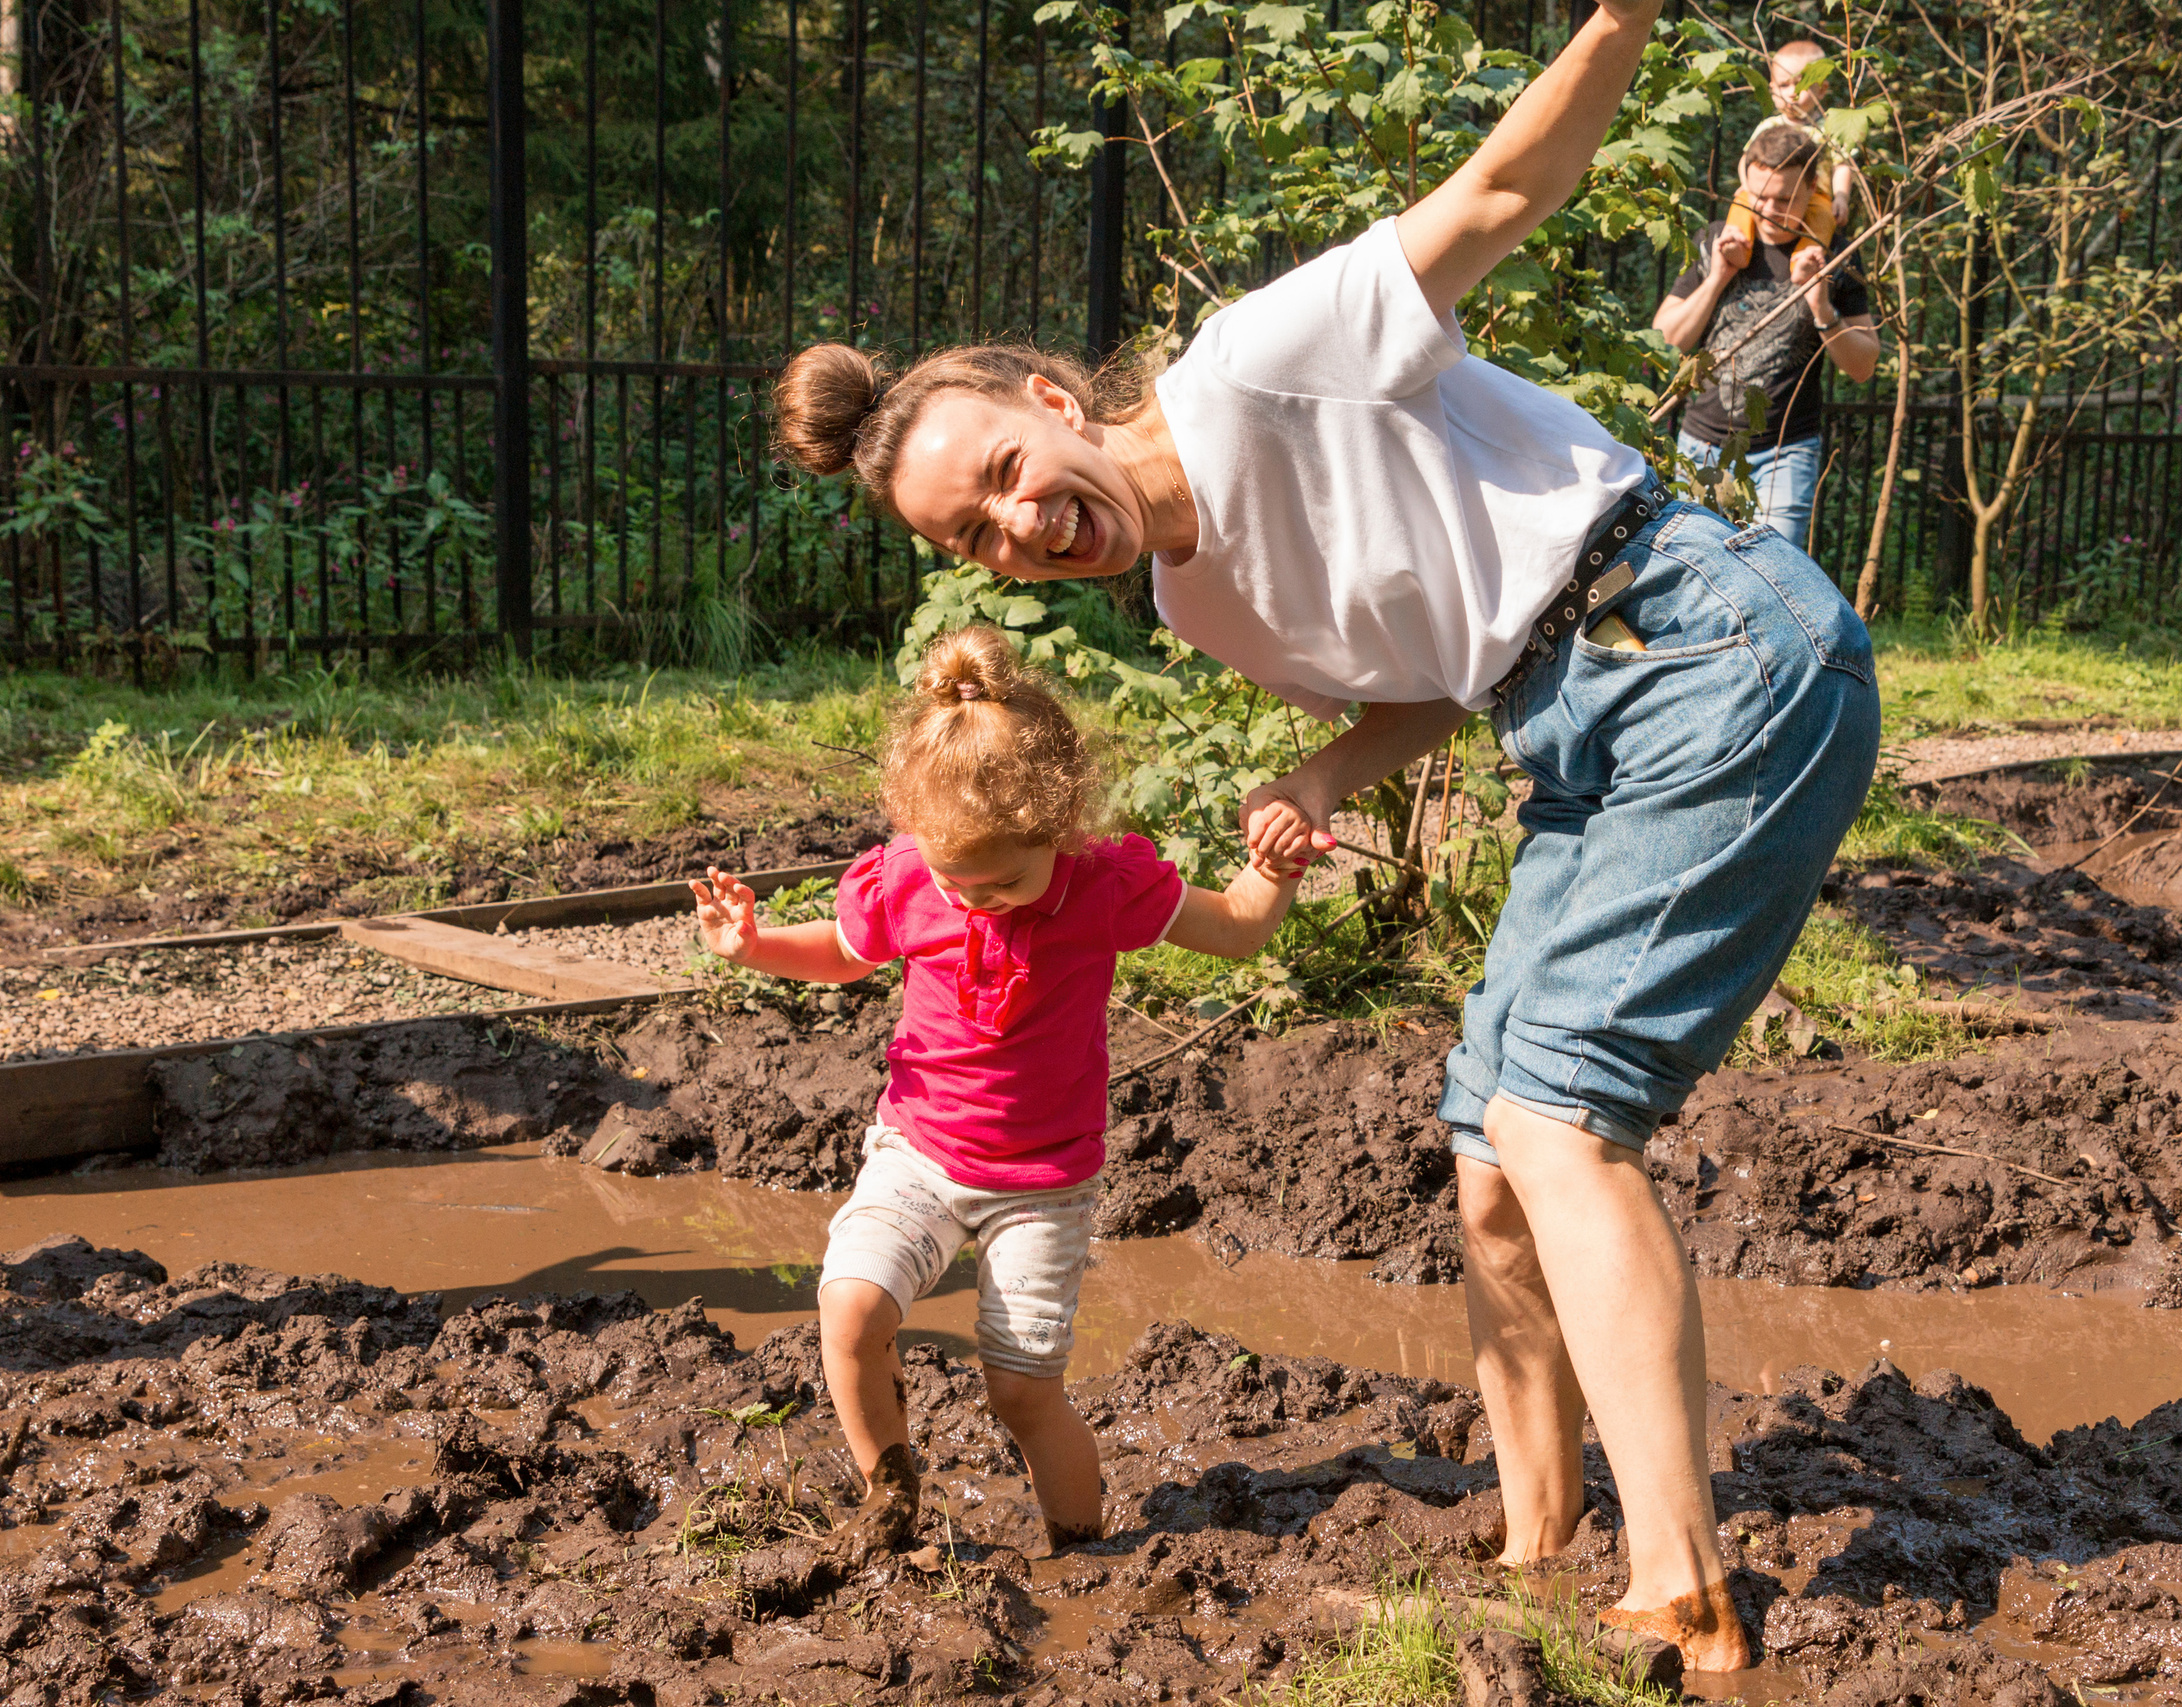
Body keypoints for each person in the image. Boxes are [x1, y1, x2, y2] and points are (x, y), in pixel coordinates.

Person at [765, 0, 1878, 1669]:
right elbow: (1445, 675)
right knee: (1491, 1152)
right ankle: (1535, 1536)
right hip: (1566, 710)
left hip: (1697, 639)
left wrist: (1627, 19)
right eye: (974, 536)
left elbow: (1511, 187)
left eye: (1005, 466)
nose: (1017, 523)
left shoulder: (1255, 363)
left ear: (1055, 398)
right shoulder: (1197, 599)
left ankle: (1683, 1587)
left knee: (1563, 1119)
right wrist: (1335, 775)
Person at [689, 625, 1305, 1553]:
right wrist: (756, 943)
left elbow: (1234, 930)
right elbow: (844, 953)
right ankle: (889, 1500)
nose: (974, 900)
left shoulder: (1104, 882)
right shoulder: (905, 876)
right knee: (850, 1307)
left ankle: (1086, 1550)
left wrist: (1271, 870)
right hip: (920, 1152)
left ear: (1061, 832)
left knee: (1020, 1391)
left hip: (1044, 1183)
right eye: (955, 880)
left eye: (1004, 881)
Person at [1654, 124, 1882, 552]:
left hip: (1785, 453)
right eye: (1759, 196)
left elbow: (1863, 366)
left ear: (1813, 188)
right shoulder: (1721, 239)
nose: (1770, 210)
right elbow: (1665, 338)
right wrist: (1719, 277)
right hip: (1700, 446)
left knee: (1776, 583)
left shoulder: (1835, 255)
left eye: (1785, 199)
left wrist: (1821, 306)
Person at [1722, 39, 1859, 251]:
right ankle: (1736, 246)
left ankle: (1807, 259)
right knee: (1741, 204)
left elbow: (1842, 165)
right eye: (1784, 85)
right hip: (1767, 196)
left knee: (1823, 218)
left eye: (1802, 84)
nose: (1792, 92)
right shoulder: (1768, 126)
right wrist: (1749, 187)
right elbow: (1746, 159)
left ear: (1822, 90)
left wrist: (1841, 196)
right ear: (1773, 90)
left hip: (1815, 196)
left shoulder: (1831, 128)